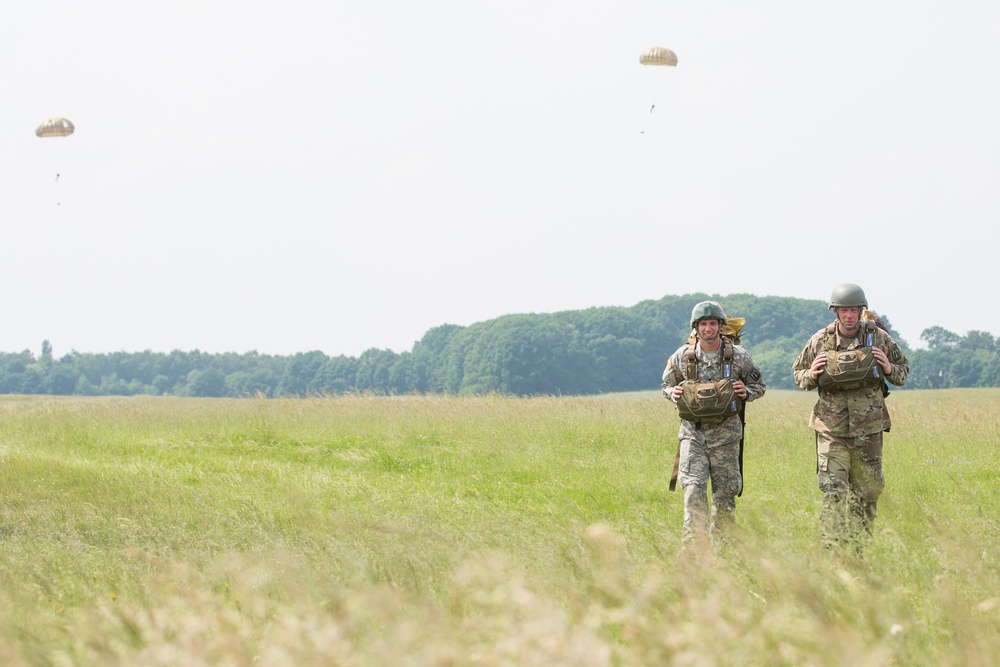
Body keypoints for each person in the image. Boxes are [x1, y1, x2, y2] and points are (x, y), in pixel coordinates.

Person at [792, 283, 909, 552]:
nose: (849, 316)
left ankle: (859, 551)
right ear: (836, 312)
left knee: (866, 494)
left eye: (854, 310)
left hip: (868, 431)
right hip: (832, 431)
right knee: (833, 492)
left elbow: (903, 371)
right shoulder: (821, 340)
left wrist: (889, 367)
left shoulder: (878, 338)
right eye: (844, 310)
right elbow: (798, 375)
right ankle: (832, 551)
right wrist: (812, 373)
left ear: (861, 311)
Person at [662, 301, 766, 543]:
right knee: (693, 492)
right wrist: (672, 393)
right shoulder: (682, 356)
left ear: (720, 326)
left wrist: (746, 391)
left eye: (712, 323)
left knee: (725, 497)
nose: (708, 328)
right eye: (703, 324)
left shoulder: (738, 357)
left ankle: (725, 550)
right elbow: (666, 385)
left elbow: (759, 385)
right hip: (693, 437)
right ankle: (695, 551)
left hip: (726, 437)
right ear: (696, 327)